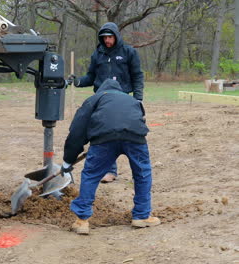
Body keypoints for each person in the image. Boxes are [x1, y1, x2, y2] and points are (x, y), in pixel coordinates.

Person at [61, 79, 160, 235]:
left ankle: (82, 221)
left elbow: (77, 131)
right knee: (142, 174)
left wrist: (68, 160)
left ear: (101, 90)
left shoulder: (94, 99)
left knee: (91, 175)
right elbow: (139, 119)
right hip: (135, 138)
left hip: (104, 139)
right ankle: (141, 216)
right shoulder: (132, 99)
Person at [68, 22, 144, 183]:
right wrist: (78, 81)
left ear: (116, 36)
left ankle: (136, 171)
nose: (107, 40)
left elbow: (137, 76)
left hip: (123, 98)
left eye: (110, 37)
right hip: (101, 99)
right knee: (104, 132)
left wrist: (138, 98)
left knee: (121, 133)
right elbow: (91, 77)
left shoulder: (129, 52)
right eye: (104, 38)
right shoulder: (98, 55)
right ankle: (109, 170)